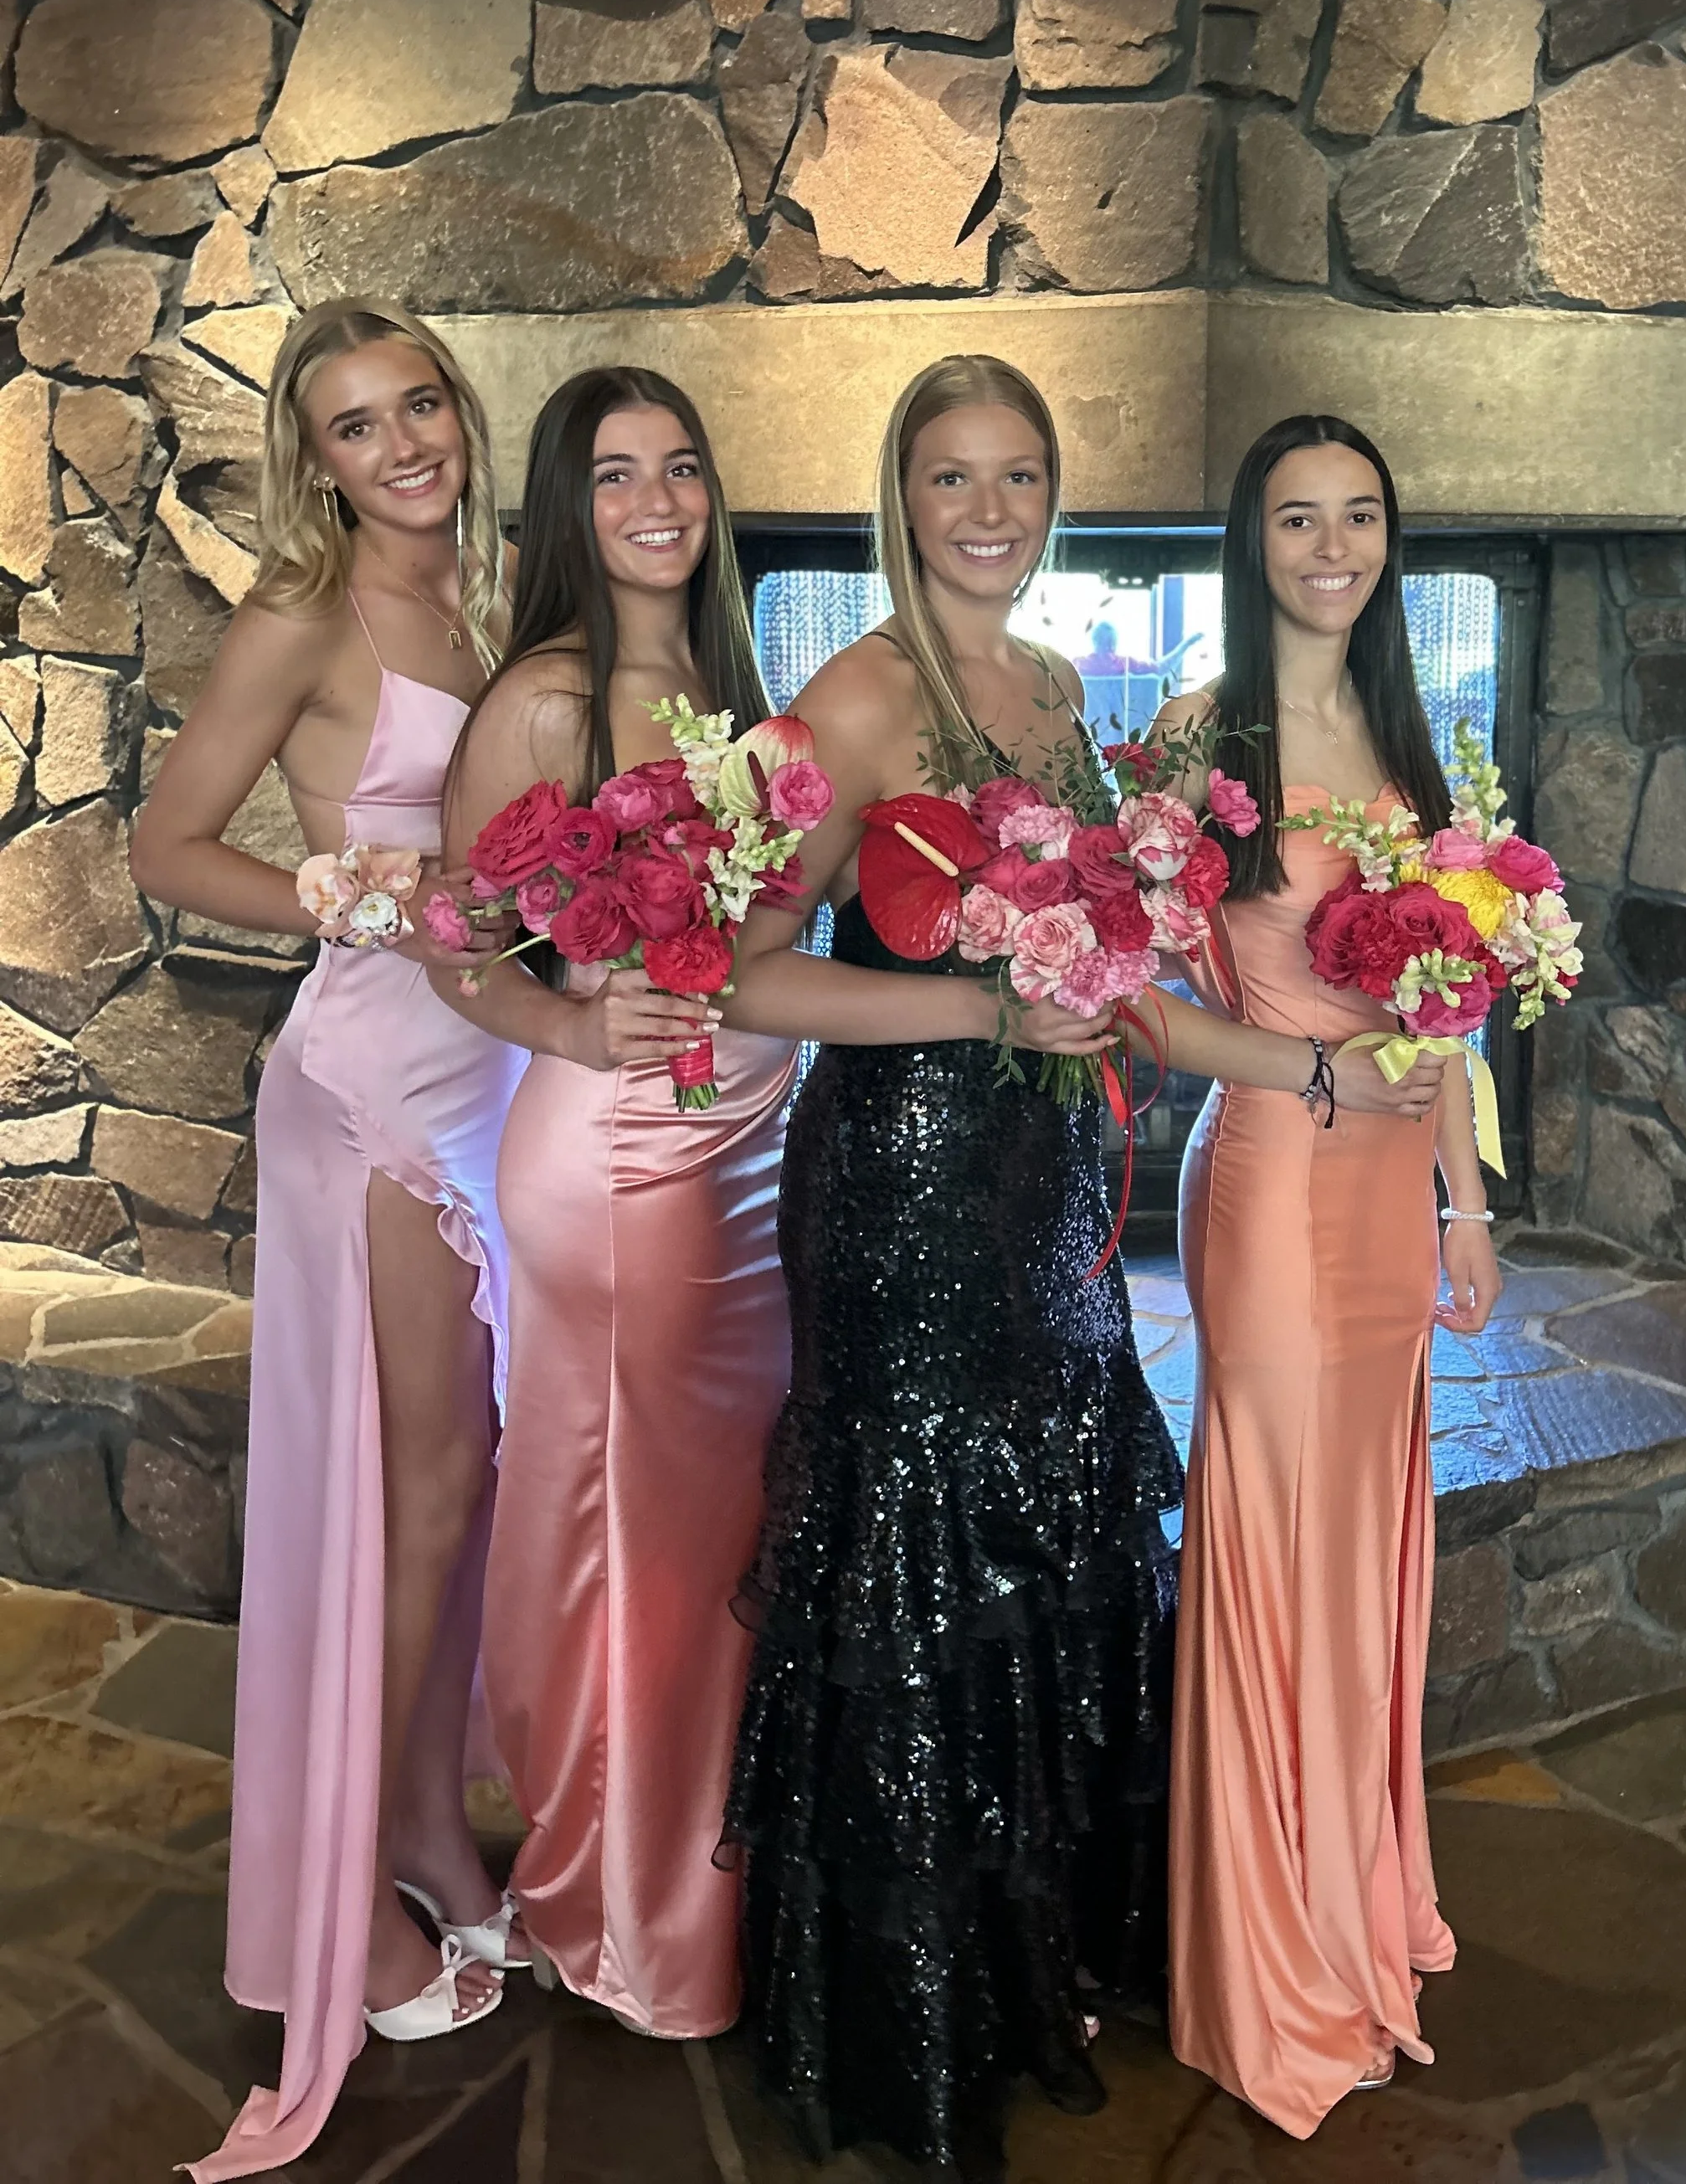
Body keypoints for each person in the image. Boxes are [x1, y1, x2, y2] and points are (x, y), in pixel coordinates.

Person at [720, 355, 1442, 2179]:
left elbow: (1131, 953)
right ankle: (908, 2027)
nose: (989, 510)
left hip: (1048, 1180)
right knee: (920, 1584)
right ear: (904, 492)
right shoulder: (855, 692)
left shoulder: (1053, 692)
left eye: (1019, 476)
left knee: (1044, 1563)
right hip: (900, 1186)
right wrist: (977, 998)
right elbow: (744, 972)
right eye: (953, 477)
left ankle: (1040, 1979)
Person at [132, 301, 527, 2179]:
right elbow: (166, 840)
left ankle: (434, 1833)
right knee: (411, 1498)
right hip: (372, 1089)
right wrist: (338, 889)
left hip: (499, 1075)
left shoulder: (499, 589)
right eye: (357, 430)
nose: (401, 448)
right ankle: (352, 1909)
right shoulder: (305, 615)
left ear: (459, 409)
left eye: (419, 406)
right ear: (320, 462)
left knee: (466, 1485)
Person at [435, 366, 792, 2042]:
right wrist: (569, 1016)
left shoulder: (728, 685)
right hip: (620, 1165)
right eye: (616, 475)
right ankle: (612, 1902)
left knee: (713, 1539)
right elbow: (457, 935)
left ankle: (697, 1877)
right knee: (626, 1539)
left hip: (748, 1165)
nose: (658, 502)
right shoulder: (546, 697)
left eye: (682, 467)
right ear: (568, 510)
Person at [1159, 414, 1498, 2139]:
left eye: (1358, 514)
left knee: (1364, 1540)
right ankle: (1270, 1954)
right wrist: (1300, 1075)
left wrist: (1459, 1204)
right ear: (1251, 539)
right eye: (1296, 517)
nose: (1330, 544)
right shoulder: (1192, 738)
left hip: (1385, 1205)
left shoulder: (1406, 725)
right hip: (1278, 1186)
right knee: (1281, 1544)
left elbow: (1442, 1007)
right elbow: (1142, 1002)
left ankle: (1352, 1891)